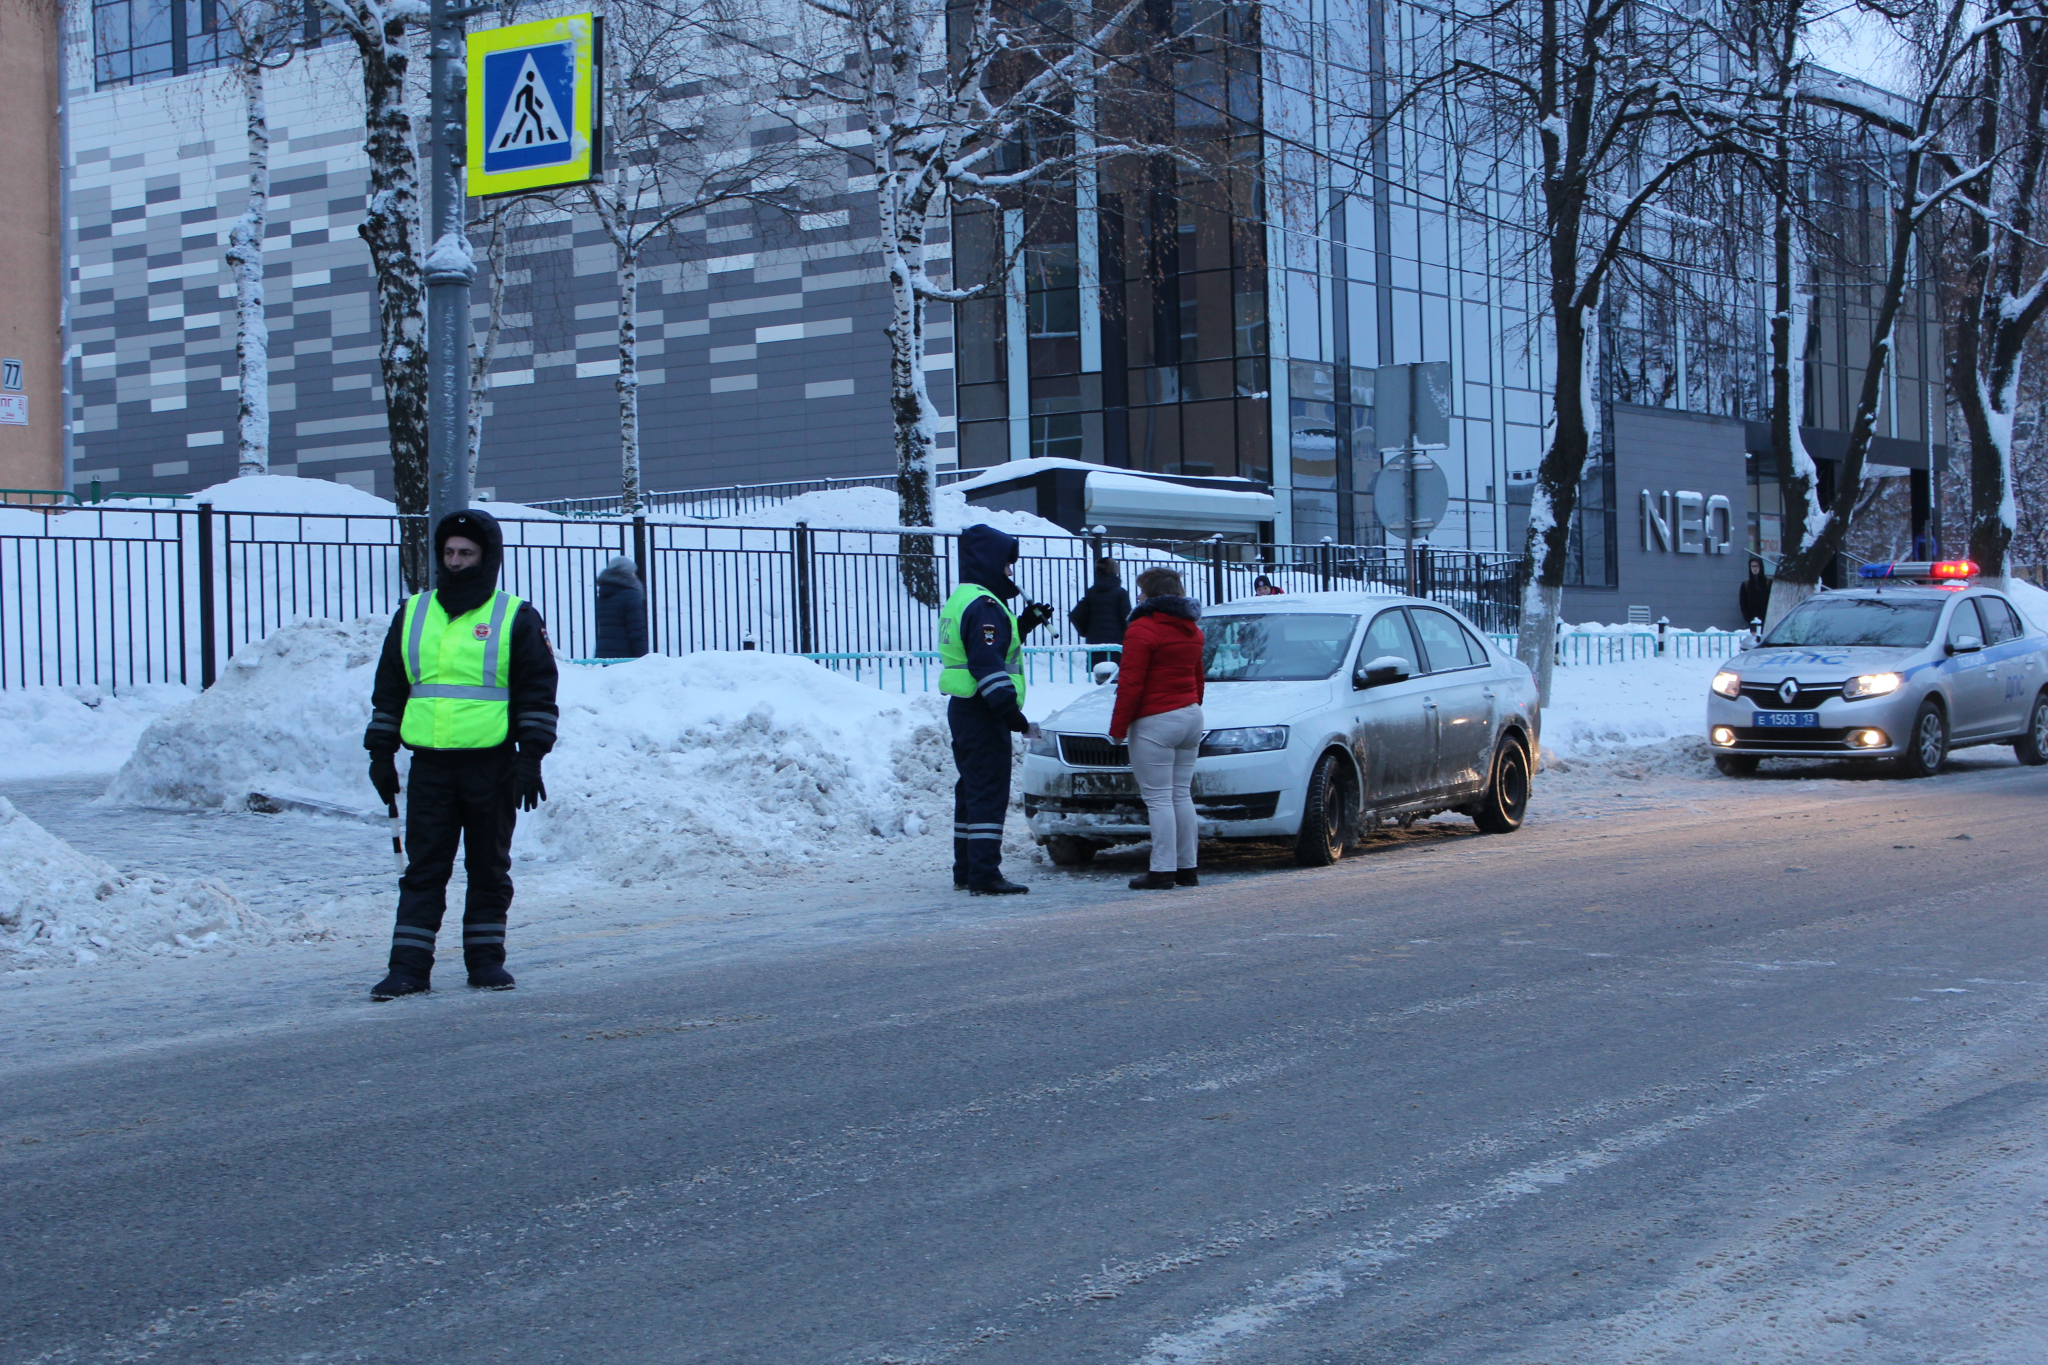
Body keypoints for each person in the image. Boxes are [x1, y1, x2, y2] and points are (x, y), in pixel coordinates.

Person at [363, 509, 560, 1000]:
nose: (455, 562)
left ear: (486, 557)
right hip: (429, 767)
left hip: (490, 767)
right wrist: (380, 754)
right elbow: (390, 690)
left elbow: (538, 691)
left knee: (488, 868)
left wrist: (530, 757)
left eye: (466, 553)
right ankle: (408, 968)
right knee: (424, 870)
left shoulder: (513, 616)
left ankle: (486, 962)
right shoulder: (413, 614)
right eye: (448, 553)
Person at [938, 524, 1053, 895]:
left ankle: (967, 869)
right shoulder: (986, 606)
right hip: (983, 709)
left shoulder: (964, 598)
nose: (1010, 573)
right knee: (988, 791)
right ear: (991, 562)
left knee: (971, 790)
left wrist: (1024, 623)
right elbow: (987, 665)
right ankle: (985, 874)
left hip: (965, 708)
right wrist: (1012, 715)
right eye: (1006, 565)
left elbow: (987, 649)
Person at [1109, 566, 1206, 891]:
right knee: (1181, 794)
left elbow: (1131, 683)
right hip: (1190, 715)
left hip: (1155, 720)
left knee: (1159, 799)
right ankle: (1187, 867)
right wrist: (1191, 705)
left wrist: (1118, 727)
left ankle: (1162, 870)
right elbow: (1198, 677)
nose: (1137, 596)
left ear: (1151, 594)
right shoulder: (1192, 629)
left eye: (1141, 591)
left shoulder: (1142, 629)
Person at [1067, 557, 1131, 667]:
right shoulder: (1120, 592)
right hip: (1116, 641)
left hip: (1094, 640)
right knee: (1114, 674)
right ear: (1115, 571)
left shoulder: (1091, 592)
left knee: (1095, 673)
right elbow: (1127, 619)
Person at [595, 555, 649, 659]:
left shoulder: (603, 594)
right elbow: (636, 630)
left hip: (603, 654)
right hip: (625, 656)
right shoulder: (631, 595)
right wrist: (643, 657)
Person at [1739, 557, 1771, 629]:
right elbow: (1743, 604)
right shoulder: (1745, 585)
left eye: (1756, 566)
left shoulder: (1768, 583)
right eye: (1752, 566)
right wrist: (1749, 618)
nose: (1754, 568)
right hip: (1753, 621)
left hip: (1768, 621)